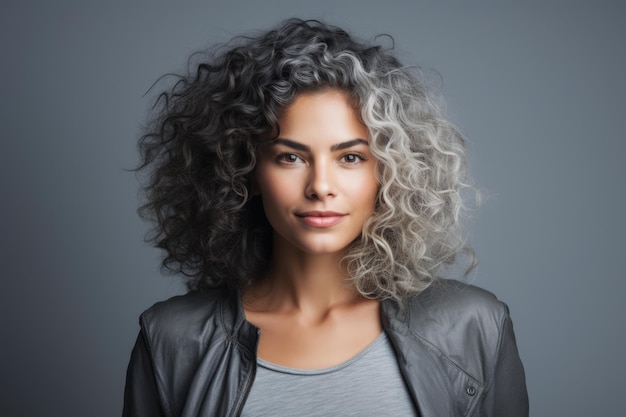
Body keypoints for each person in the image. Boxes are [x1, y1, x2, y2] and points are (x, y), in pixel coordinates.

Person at [123, 18, 528, 417]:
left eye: (350, 157)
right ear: (245, 170)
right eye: (290, 157)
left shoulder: (473, 328)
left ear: (388, 172)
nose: (320, 186)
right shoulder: (172, 340)